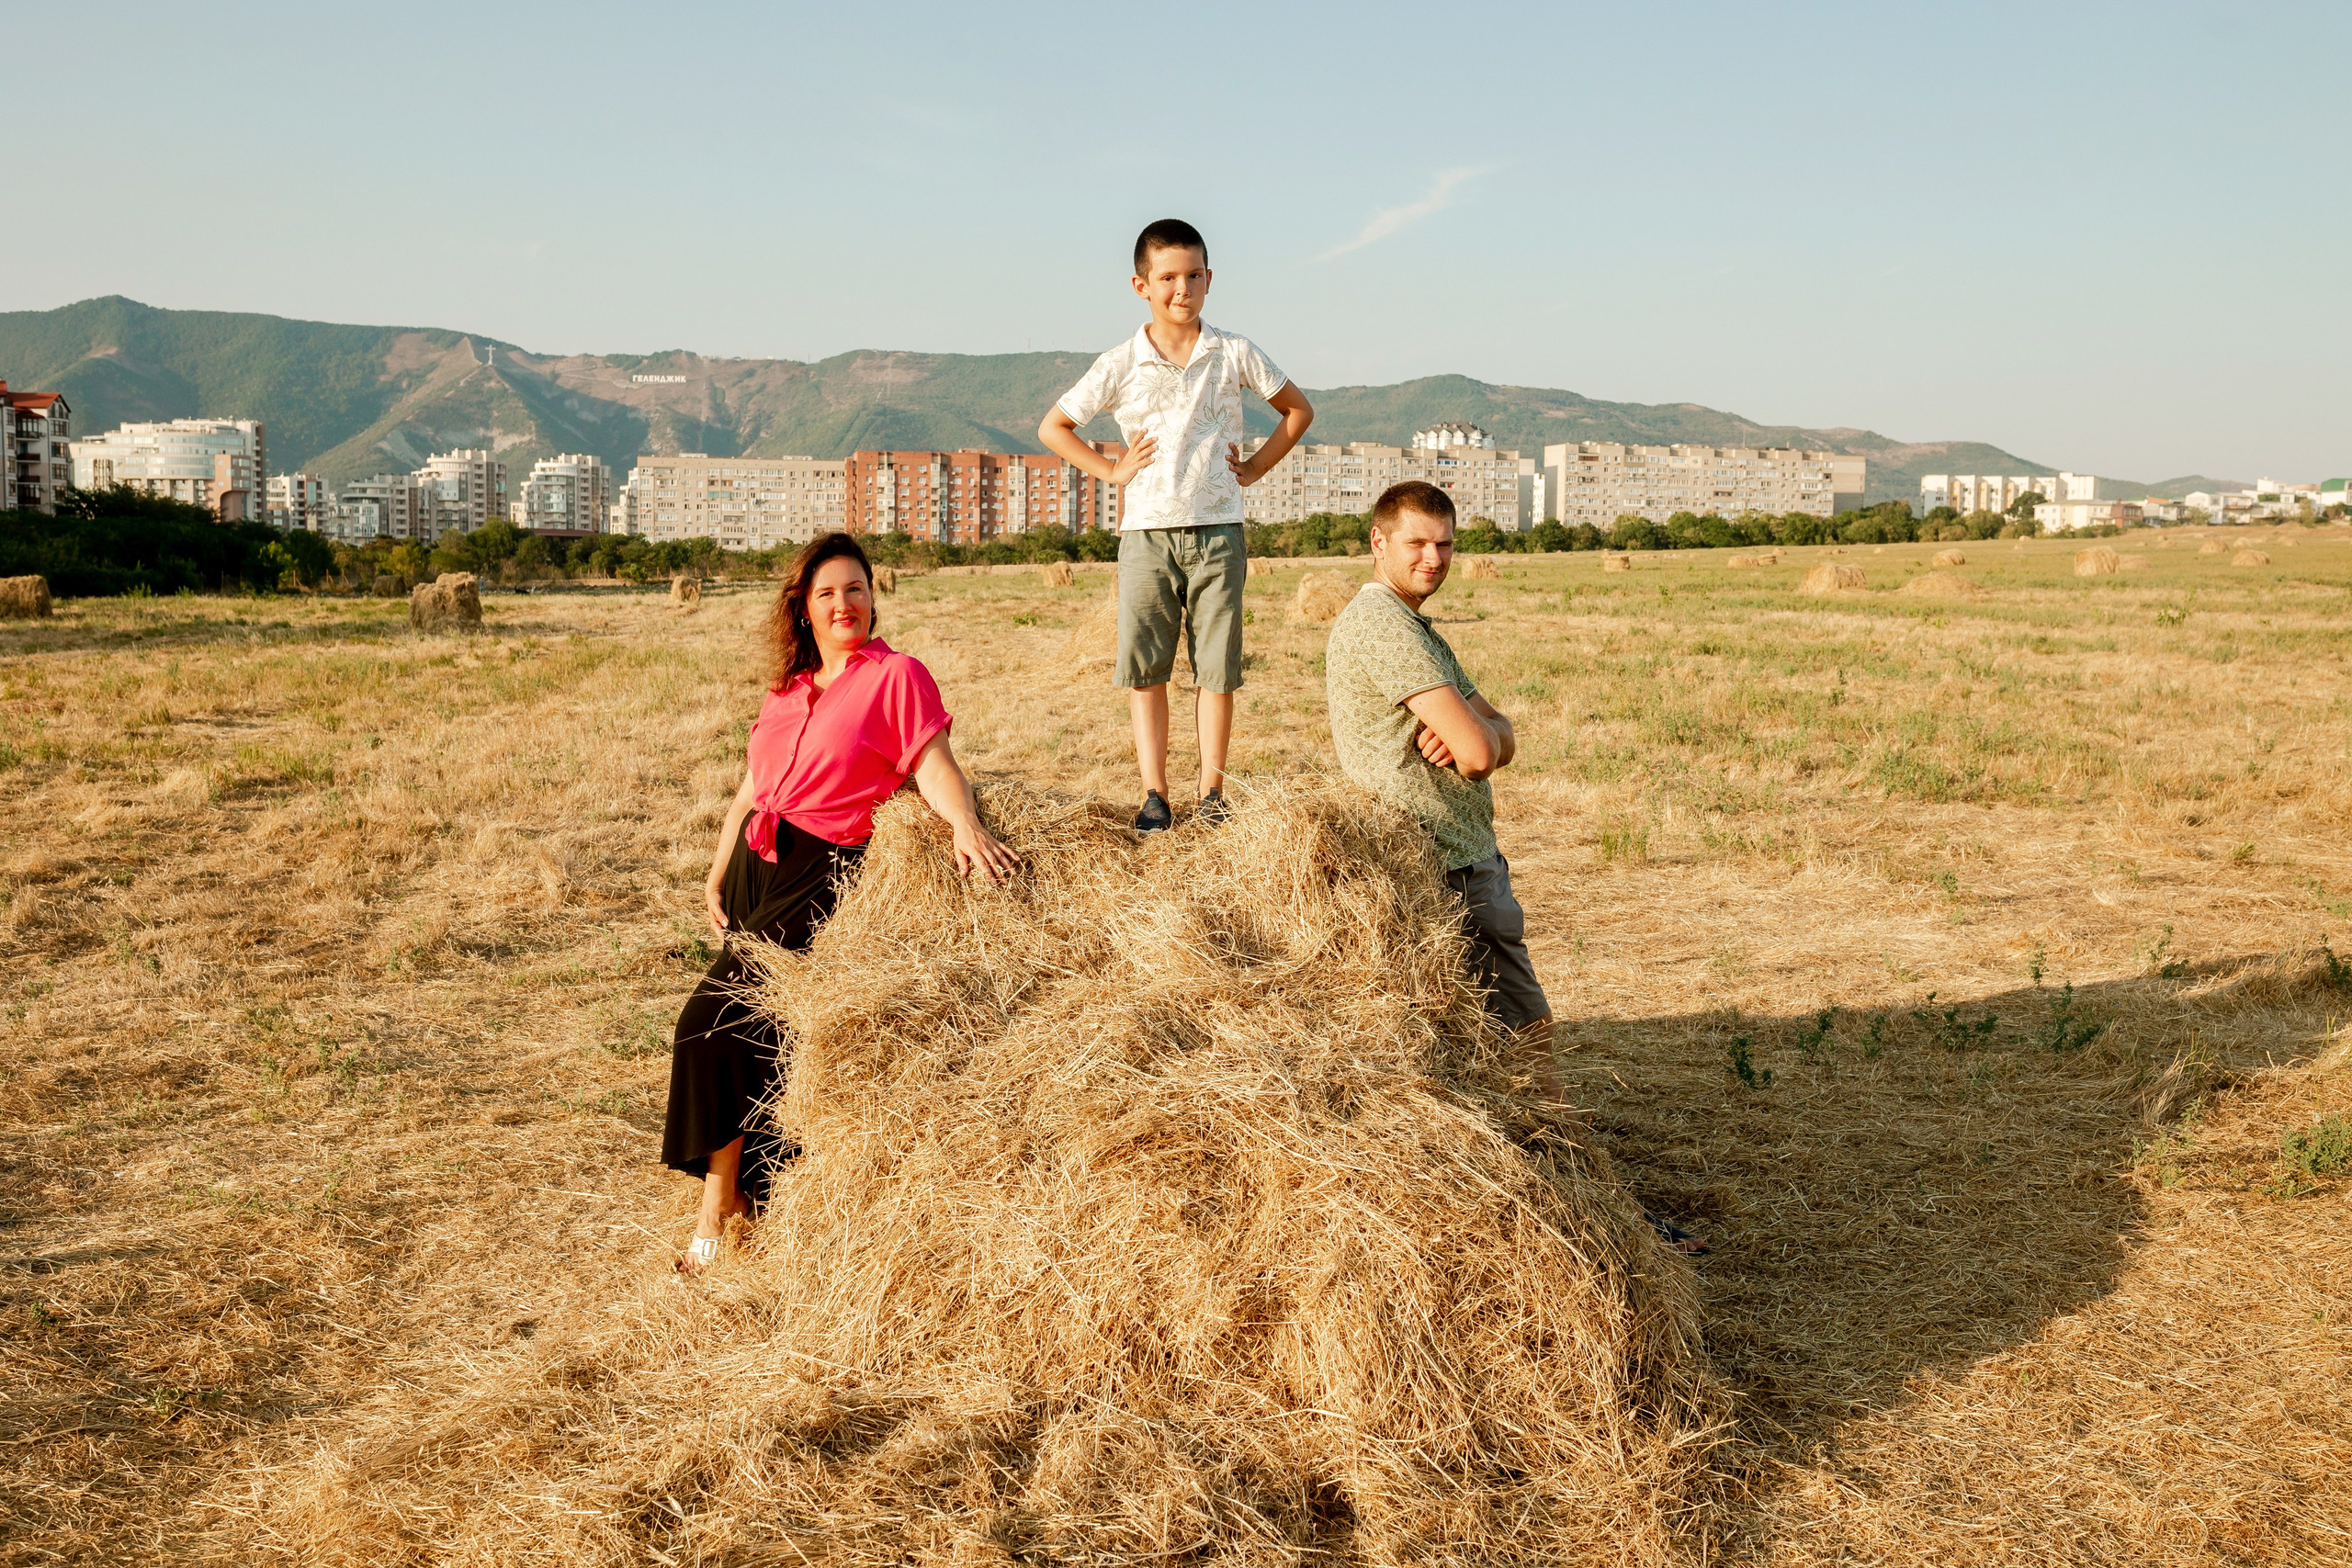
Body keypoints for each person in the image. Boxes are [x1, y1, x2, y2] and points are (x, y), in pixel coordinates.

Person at [1321, 482, 1704, 1255]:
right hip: (1446, 870)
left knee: (1503, 1055)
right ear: (1378, 544)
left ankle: (1579, 1211)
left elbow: (1502, 733)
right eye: (1417, 544)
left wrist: (1488, 730)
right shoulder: (1383, 627)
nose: (1434, 559)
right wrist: (1481, 737)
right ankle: (1601, 1220)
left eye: (1447, 544)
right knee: (1526, 1053)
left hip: (1448, 863)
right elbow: (1479, 750)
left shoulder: (1411, 628)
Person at [662, 531, 1020, 1273]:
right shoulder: (785, 692)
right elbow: (749, 790)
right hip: (755, 869)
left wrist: (966, 822)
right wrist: (717, 866)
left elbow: (933, 763)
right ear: (804, 609)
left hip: (821, 868)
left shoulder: (895, 676)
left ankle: (715, 1203)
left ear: (872, 596)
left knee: (708, 1021)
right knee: (757, 1036)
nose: (843, 602)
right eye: (826, 592)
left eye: (854, 588)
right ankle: (750, 1197)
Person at [1039, 217, 1315, 831]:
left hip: (1220, 530)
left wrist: (1258, 468)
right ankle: (1155, 795)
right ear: (1141, 284)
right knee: (1148, 672)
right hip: (1147, 537)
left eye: (1193, 275)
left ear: (1210, 279)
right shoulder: (1120, 363)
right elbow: (1053, 427)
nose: (1181, 288)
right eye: (1168, 277)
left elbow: (1298, 409)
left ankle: (1213, 794)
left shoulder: (1234, 352)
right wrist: (1110, 472)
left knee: (1216, 671)